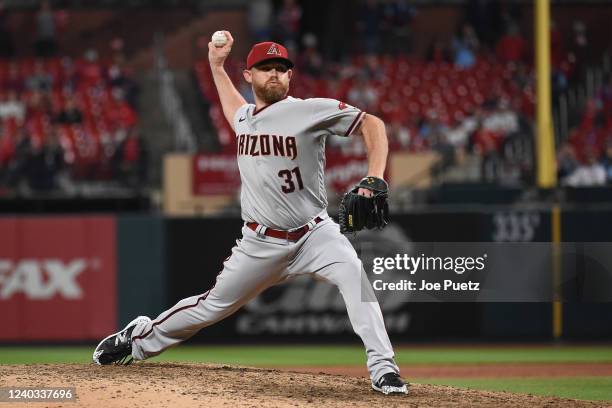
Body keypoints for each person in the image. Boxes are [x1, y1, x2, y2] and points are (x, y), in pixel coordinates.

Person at [93, 32, 408, 396]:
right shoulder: (244, 118)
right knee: (209, 307)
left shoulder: (308, 109)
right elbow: (231, 107)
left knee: (355, 275)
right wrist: (215, 65)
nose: (273, 74)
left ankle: (384, 368)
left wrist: (374, 177)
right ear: (250, 76)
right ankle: (138, 340)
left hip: (314, 234)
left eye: (280, 68)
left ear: (290, 76)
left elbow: (374, 125)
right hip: (260, 242)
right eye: (264, 68)